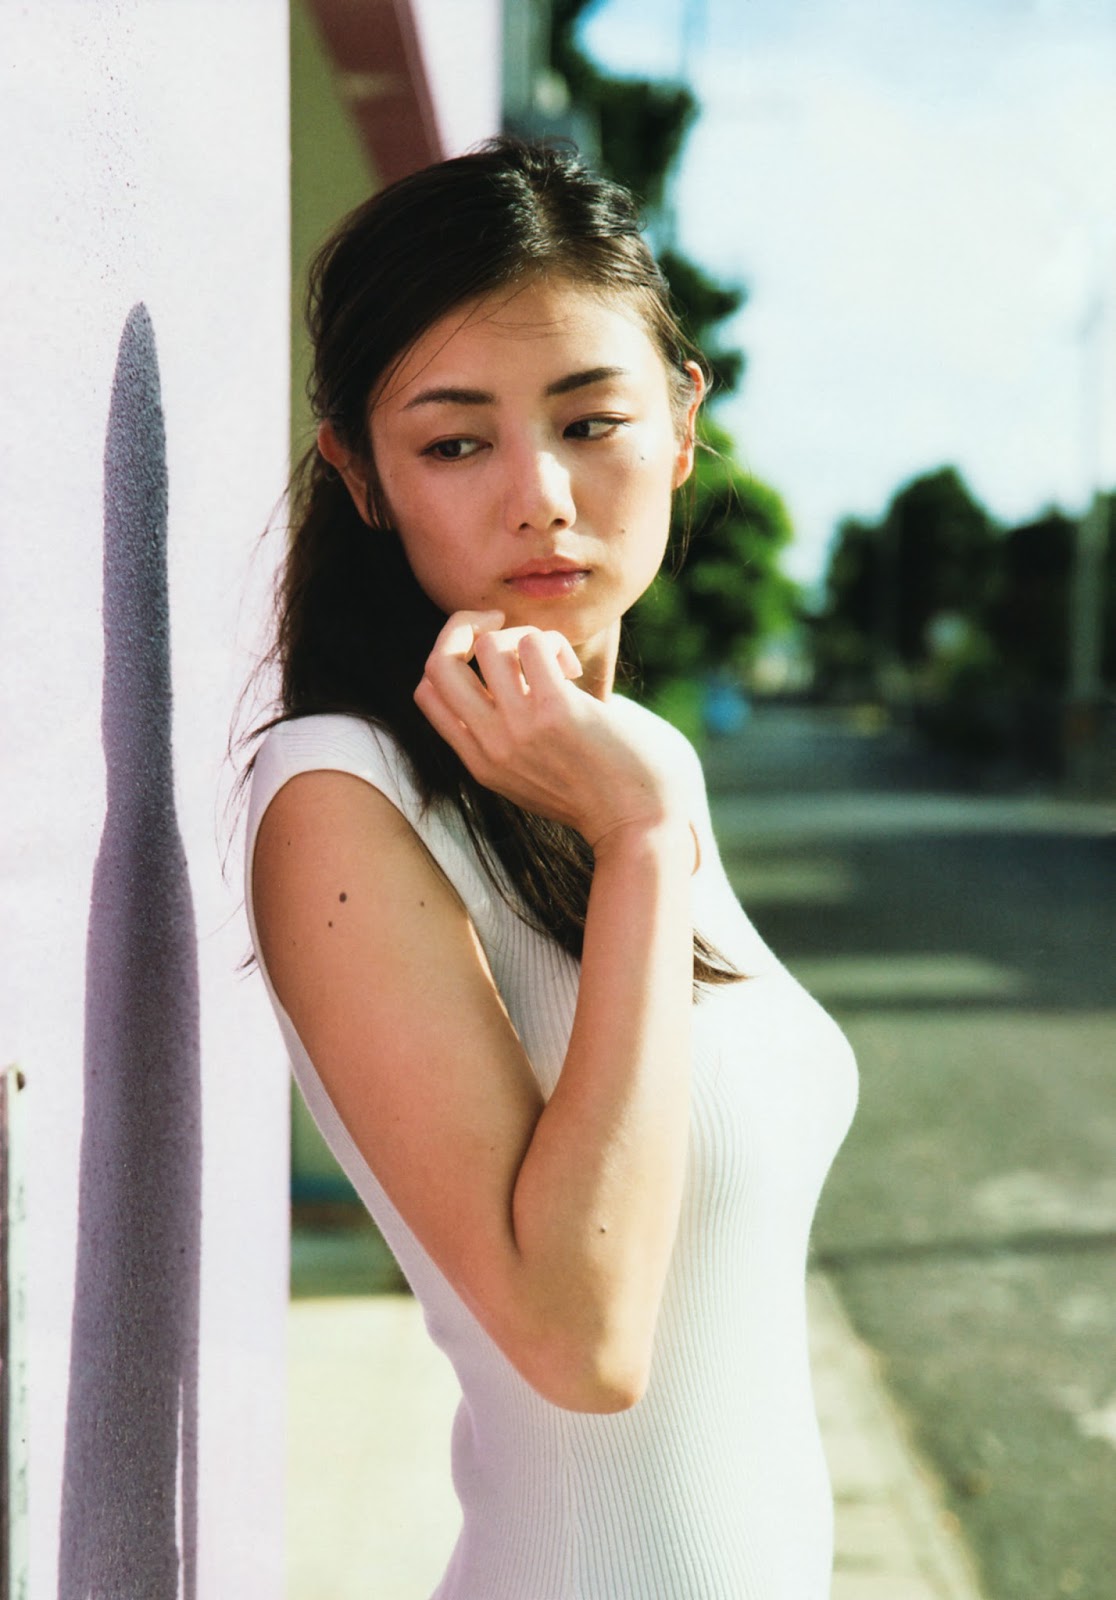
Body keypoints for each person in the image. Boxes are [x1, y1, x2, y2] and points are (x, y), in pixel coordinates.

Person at [242, 138, 858, 1599]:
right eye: (456, 443)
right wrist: (639, 845)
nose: (541, 496)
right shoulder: (343, 792)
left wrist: (639, 811)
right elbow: (581, 1343)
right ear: (361, 473)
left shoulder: (633, 761)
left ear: (684, 422)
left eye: (591, 421)